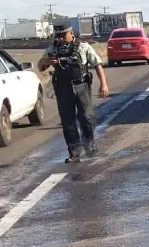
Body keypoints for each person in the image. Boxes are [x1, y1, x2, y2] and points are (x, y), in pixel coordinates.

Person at [37, 24, 110, 163]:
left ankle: (89, 145)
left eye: (63, 36)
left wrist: (104, 84)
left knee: (86, 118)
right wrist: (46, 61)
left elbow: (97, 64)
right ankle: (74, 152)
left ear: (71, 33)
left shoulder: (83, 46)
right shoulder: (53, 48)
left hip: (81, 85)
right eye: (58, 36)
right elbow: (40, 67)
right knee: (67, 121)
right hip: (63, 88)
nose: (61, 39)